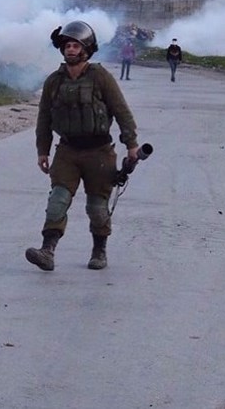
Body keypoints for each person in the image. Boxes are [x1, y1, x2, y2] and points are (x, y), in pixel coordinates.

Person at [25, 20, 140, 272]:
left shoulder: (100, 77)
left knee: (97, 207)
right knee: (58, 199)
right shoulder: (54, 81)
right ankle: (47, 250)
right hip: (67, 151)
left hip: (99, 151)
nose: (71, 49)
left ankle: (99, 250)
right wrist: (42, 150)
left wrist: (131, 144)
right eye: (67, 45)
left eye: (76, 45)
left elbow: (121, 111)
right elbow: (44, 118)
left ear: (86, 49)